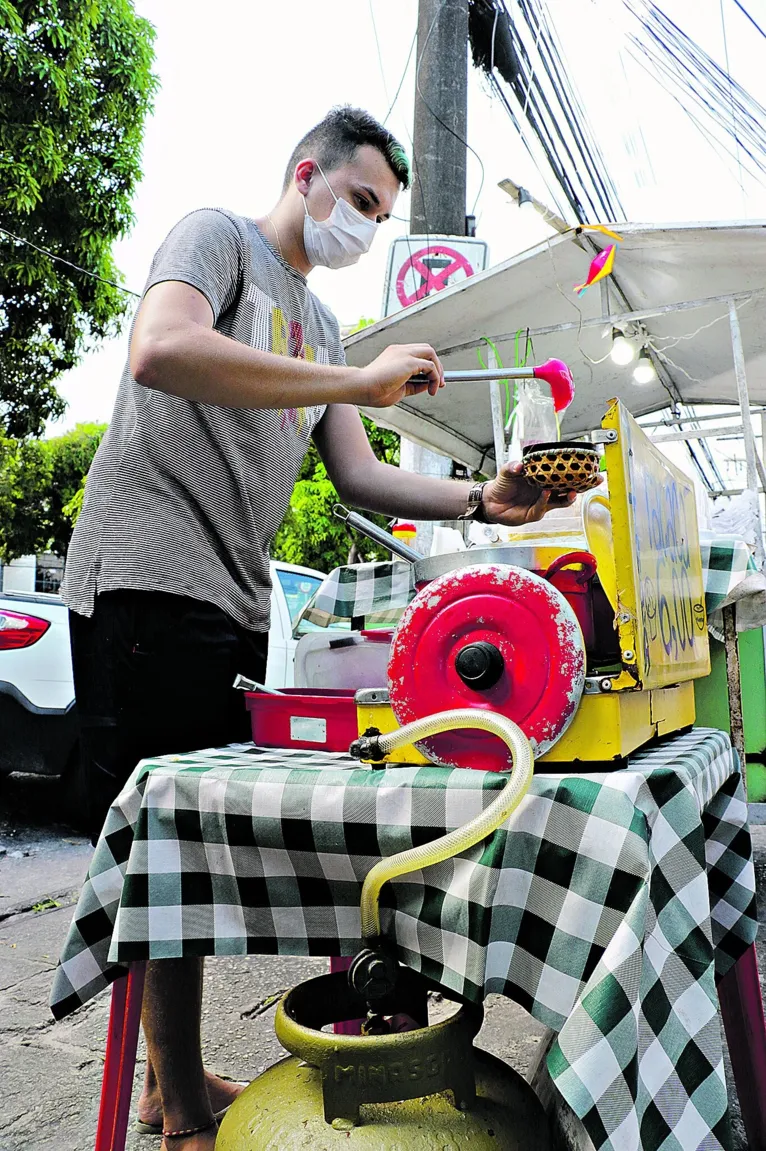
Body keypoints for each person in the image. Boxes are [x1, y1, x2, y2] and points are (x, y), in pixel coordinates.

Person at [62, 106, 574, 1150]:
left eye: (382, 216)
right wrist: (358, 379)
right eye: (361, 202)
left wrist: (486, 502)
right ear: (308, 173)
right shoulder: (217, 239)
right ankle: (171, 1102)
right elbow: (163, 349)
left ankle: (168, 1078)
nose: (368, 227)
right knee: (169, 845)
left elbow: (358, 472)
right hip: (147, 575)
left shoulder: (325, 326)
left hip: (237, 596)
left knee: (196, 848)